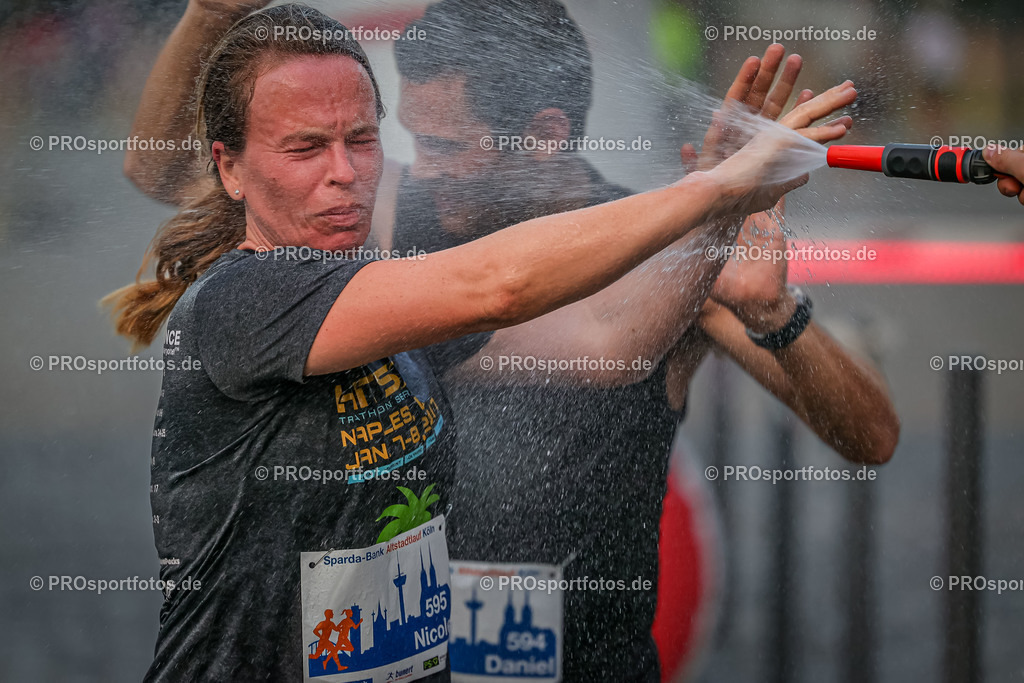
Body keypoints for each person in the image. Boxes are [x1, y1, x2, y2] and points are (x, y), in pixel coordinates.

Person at [117, 3, 882, 682]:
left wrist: (769, 301)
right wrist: (211, 14)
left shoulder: (655, 258)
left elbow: (608, 343)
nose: (419, 169)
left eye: (443, 145)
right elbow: (499, 287)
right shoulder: (360, 243)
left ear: (544, 136)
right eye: (412, 140)